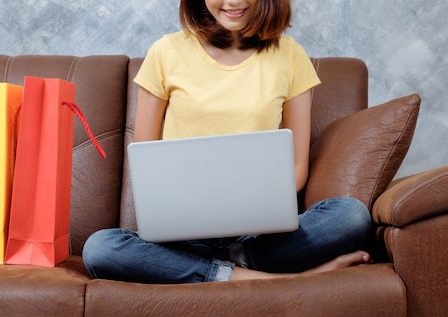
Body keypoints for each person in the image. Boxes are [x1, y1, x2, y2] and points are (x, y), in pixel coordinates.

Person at [82, 0, 372, 283]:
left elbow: (297, 167)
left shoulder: (290, 55)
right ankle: (252, 277)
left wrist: (246, 200)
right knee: (100, 248)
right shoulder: (166, 51)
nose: (233, 2)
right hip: (183, 238)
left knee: (352, 216)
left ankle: (228, 266)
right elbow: (145, 164)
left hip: (258, 238)